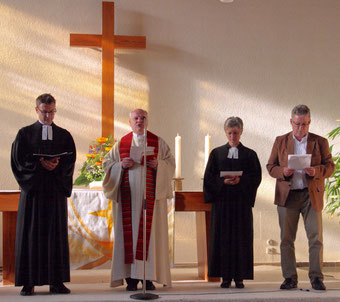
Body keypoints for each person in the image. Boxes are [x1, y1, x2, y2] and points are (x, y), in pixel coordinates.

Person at [102, 109, 175, 291]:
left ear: (147, 121)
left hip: (151, 201)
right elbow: (107, 164)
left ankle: (148, 278)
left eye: (143, 118)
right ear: (130, 122)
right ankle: (131, 279)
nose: (140, 121)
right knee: (129, 236)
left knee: (150, 236)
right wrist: (121, 165)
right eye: (136, 118)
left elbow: (171, 163)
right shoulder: (121, 144)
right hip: (129, 199)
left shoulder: (158, 142)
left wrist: (159, 164)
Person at [11, 93, 76, 296]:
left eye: (51, 112)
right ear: (36, 110)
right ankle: (28, 282)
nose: (48, 116)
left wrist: (56, 165)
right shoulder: (24, 134)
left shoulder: (64, 135)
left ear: (54, 110)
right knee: (30, 235)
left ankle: (56, 282)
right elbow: (18, 162)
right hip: (33, 194)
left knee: (54, 235)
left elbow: (69, 161)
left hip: (54, 193)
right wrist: (40, 166)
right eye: (44, 112)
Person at [267, 104, 335, 291]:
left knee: (316, 238)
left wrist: (317, 171)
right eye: (297, 124)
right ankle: (289, 277)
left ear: (309, 122)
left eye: (304, 124)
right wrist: (283, 171)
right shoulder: (280, 141)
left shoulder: (319, 142)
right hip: (287, 196)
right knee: (286, 239)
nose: (300, 128)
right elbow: (270, 166)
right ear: (291, 122)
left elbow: (330, 166)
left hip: (310, 194)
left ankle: (316, 278)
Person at [203, 117, 262, 289]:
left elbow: (255, 177)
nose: (232, 136)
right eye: (229, 133)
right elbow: (209, 178)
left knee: (241, 240)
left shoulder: (250, 154)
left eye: (235, 133)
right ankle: (225, 277)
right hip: (222, 204)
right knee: (223, 240)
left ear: (241, 132)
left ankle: (240, 277)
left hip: (241, 204)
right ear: (225, 132)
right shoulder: (216, 153)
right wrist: (223, 182)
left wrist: (240, 181)